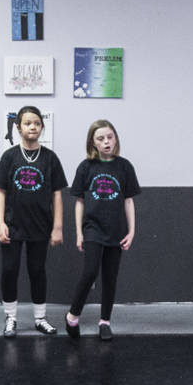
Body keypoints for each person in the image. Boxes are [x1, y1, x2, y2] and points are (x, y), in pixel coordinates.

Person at [0, 106, 67, 337]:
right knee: (9, 270)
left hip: (40, 226)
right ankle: (11, 318)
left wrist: (57, 227)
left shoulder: (50, 158)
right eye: (27, 123)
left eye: (36, 123)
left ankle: (40, 318)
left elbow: (57, 194)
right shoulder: (9, 156)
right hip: (13, 225)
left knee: (37, 270)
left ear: (42, 127)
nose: (32, 126)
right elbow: (0, 192)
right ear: (18, 128)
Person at [65, 120, 140, 341]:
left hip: (116, 230)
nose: (106, 142)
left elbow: (128, 201)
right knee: (90, 272)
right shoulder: (86, 167)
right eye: (100, 138)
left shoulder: (124, 166)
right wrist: (79, 232)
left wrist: (132, 231)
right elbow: (79, 202)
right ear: (93, 143)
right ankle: (72, 315)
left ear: (115, 138)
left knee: (110, 276)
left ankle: (104, 321)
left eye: (109, 137)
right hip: (92, 229)